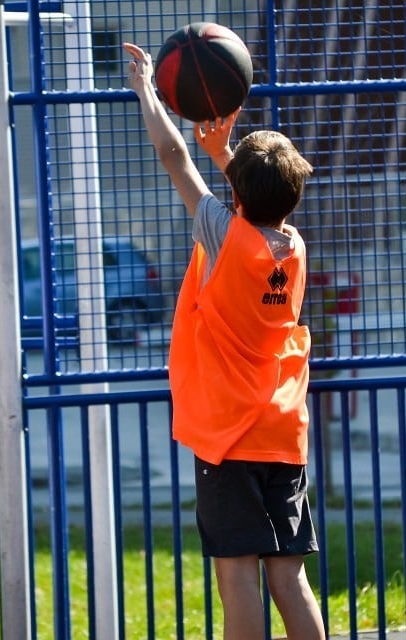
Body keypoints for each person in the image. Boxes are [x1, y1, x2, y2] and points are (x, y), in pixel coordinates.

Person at [123, 43, 325, 640]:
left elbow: (171, 155)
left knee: (237, 574)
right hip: (282, 433)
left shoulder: (225, 239)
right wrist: (228, 156)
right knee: (288, 577)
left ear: (236, 191)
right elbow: (257, 200)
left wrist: (147, 92)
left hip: (228, 436)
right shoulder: (294, 248)